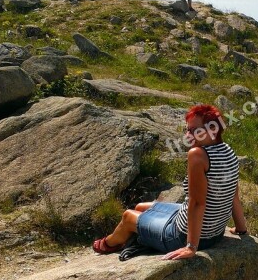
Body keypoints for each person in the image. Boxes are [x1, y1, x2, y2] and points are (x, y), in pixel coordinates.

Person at [93, 104, 246, 260]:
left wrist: (191, 247)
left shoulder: (198, 155)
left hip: (183, 236)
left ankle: (111, 243)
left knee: (128, 216)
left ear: (213, 130)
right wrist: (242, 229)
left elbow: (197, 203)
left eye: (194, 130)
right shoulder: (228, 150)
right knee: (141, 207)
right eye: (187, 129)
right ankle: (136, 235)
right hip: (215, 233)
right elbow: (234, 196)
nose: (188, 135)